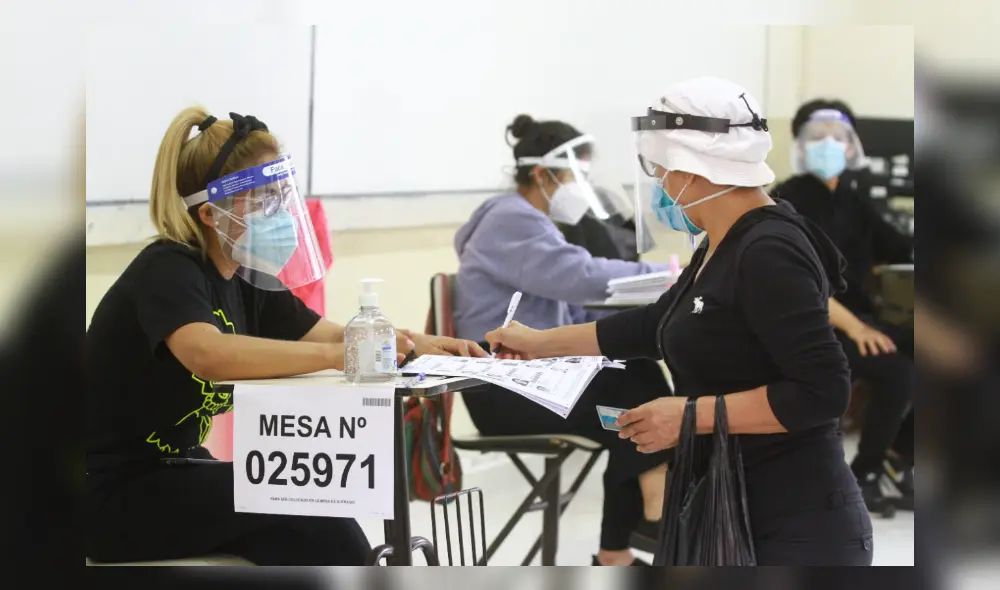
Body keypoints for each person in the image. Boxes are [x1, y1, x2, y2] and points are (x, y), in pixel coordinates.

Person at [485, 78, 874, 566]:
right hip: (732, 509)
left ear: (693, 169)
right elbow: (655, 324)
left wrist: (689, 415)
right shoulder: (722, 241)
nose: (661, 183)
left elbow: (824, 391)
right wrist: (540, 343)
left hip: (793, 525)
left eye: (661, 169)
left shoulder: (768, 250)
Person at [85, 107, 486, 565]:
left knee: (309, 542)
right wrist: (338, 355)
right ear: (211, 215)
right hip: (114, 494)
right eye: (261, 202)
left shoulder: (244, 277)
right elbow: (207, 353)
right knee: (314, 506)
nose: (278, 212)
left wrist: (417, 342)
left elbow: (333, 332)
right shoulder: (167, 269)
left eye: (280, 196)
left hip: (179, 470)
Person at [452, 114, 674, 566]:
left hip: (538, 378)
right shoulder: (509, 220)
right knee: (636, 405)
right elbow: (581, 278)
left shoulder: (536, 222)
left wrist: (637, 326)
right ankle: (653, 511)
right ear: (542, 174)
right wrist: (674, 276)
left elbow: (575, 314)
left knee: (635, 384)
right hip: (502, 392)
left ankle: (621, 547)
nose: (582, 186)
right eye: (576, 175)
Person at [771, 99, 915, 515]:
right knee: (900, 371)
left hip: (862, 318)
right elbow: (800, 285)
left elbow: (901, 245)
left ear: (852, 143)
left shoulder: (854, 196)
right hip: (817, 326)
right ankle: (865, 473)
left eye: (839, 136)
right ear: (799, 142)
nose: (829, 144)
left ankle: (900, 457)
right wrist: (856, 329)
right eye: (818, 137)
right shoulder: (786, 201)